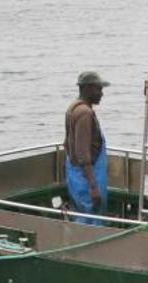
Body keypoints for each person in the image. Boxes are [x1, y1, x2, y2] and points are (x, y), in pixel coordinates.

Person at [64, 71, 110, 225]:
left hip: (76, 174)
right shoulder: (84, 113)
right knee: (90, 217)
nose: (102, 94)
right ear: (88, 88)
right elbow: (83, 153)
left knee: (82, 214)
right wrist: (93, 187)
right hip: (86, 177)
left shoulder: (73, 107)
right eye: (99, 89)